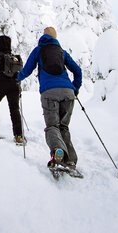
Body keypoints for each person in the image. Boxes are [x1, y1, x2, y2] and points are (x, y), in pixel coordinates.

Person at [17, 26, 82, 171]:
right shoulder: (62, 52)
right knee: (63, 127)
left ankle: (58, 151)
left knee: (52, 126)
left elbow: (27, 70)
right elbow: (77, 70)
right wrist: (75, 88)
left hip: (49, 93)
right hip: (68, 92)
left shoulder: (39, 50)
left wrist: (17, 78)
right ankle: (70, 160)